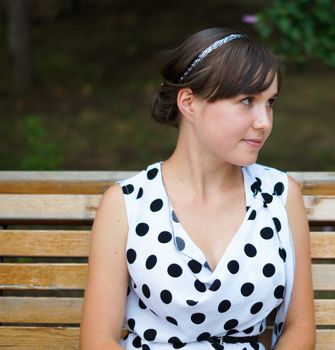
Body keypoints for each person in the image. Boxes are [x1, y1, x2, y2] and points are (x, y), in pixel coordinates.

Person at [80, 27, 315, 350]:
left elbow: (300, 327)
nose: (264, 122)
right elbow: (97, 340)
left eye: (270, 102)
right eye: (247, 101)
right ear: (189, 102)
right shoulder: (126, 205)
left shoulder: (279, 196)